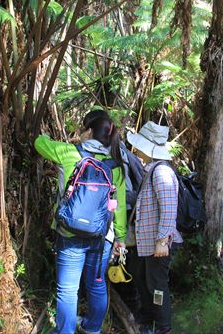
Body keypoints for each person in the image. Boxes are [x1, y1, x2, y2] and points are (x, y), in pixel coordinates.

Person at [34, 116, 127, 334]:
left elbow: (39, 143)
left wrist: (44, 134)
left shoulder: (69, 152)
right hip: (101, 238)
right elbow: (118, 207)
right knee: (96, 284)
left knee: (67, 290)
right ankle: (92, 328)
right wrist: (120, 238)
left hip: (69, 233)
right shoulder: (115, 166)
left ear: (89, 132)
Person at [83, 109, 144, 314]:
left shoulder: (104, 154)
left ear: (92, 131)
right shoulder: (119, 150)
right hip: (125, 216)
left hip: (119, 217)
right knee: (121, 266)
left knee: (119, 266)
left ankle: (124, 310)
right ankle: (127, 308)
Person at [126, 121, 183, 334]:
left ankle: (162, 325)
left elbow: (169, 209)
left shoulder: (161, 172)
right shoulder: (151, 170)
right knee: (142, 278)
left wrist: (162, 241)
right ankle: (148, 313)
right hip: (148, 242)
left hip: (159, 244)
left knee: (157, 285)